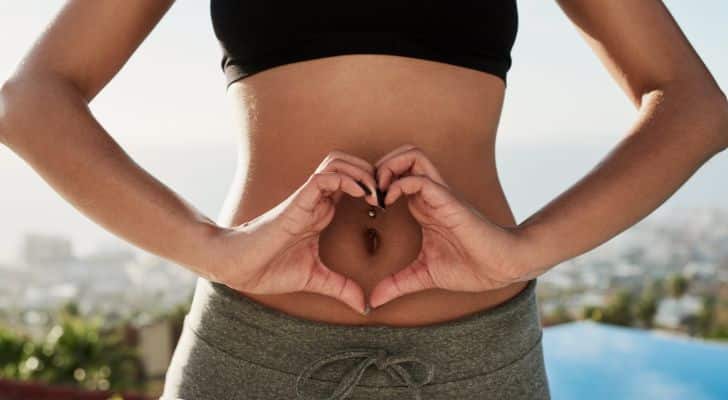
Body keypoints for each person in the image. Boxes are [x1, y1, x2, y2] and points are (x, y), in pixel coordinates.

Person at [1, 1, 726, 399]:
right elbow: (32, 103)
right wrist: (213, 249)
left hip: (473, 356)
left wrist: (529, 249)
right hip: (255, 349)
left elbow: (694, 106)